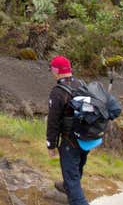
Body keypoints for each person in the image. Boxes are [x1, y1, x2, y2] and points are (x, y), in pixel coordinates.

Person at [47, 56, 90, 205]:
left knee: (72, 175)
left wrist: (51, 145)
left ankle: (74, 194)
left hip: (70, 140)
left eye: (52, 70)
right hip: (86, 137)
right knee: (78, 166)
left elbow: (53, 122)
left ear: (56, 71)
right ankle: (67, 187)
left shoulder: (58, 92)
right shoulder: (82, 84)